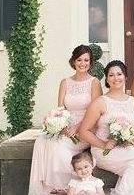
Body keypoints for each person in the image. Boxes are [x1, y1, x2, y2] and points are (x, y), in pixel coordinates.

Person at [79, 60, 134, 195]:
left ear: (125, 77)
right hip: (105, 150)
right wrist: (104, 144)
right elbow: (83, 131)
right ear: (106, 79)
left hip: (129, 147)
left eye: (119, 74)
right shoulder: (100, 102)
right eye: (111, 75)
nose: (116, 78)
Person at [29, 45, 103, 195]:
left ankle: (64, 187)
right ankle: (45, 188)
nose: (83, 63)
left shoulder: (94, 82)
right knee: (42, 141)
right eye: (79, 60)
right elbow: (60, 110)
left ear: (91, 62)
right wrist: (60, 126)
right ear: (73, 61)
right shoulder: (65, 82)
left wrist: (77, 128)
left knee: (58, 148)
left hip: (86, 128)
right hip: (66, 127)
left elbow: (95, 113)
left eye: (86, 60)